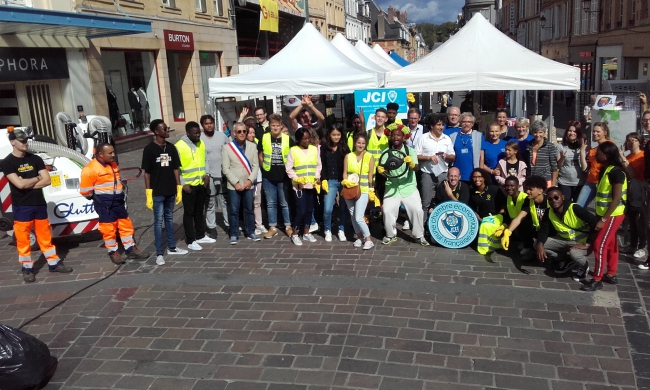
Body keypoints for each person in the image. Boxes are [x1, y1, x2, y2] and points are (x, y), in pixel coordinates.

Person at [1, 127, 73, 282]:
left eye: (26, 140)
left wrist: (28, 182)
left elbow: (47, 180)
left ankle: (53, 263)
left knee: (45, 236)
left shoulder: (36, 159)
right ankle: (27, 268)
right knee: (23, 238)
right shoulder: (7, 162)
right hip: (22, 206)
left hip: (39, 204)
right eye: (22, 141)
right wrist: (35, 179)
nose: (25, 143)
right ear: (13, 142)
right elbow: (19, 185)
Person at [81, 142, 149, 263]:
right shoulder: (90, 169)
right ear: (101, 154)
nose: (113, 155)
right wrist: (100, 199)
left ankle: (130, 249)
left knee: (125, 225)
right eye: (110, 153)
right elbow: (85, 191)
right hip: (104, 204)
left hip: (118, 201)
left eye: (113, 152)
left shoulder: (112, 164)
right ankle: (113, 252)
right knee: (108, 229)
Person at [581, 141, 627, 291]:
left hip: (612, 214)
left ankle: (597, 278)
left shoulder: (617, 172)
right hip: (604, 213)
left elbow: (616, 198)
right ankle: (611, 273)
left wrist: (603, 219)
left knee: (599, 245)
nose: (595, 155)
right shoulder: (605, 170)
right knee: (611, 245)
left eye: (598, 152)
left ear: (606, 155)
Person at [141, 119, 187, 266]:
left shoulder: (171, 148)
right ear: (156, 131)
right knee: (158, 221)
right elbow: (147, 173)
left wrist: (178, 187)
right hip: (157, 192)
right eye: (164, 128)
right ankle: (159, 253)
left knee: (169, 219)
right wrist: (148, 192)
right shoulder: (149, 149)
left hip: (170, 190)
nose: (167, 130)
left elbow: (175, 169)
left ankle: (172, 247)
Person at [378, 123, 428, 246]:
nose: (395, 137)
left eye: (398, 135)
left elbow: (416, 168)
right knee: (387, 211)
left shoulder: (410, 151)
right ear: (390, 137)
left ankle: (419, 236)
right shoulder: (386, 152)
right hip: (392, 186)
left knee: (417, 210)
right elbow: (384, 170)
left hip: (409, 187)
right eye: (393, 135)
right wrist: (382, 171)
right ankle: (390, 235)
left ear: (403, 137)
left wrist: (411, 163)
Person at [536, 187, 597, 281]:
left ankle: (584, 266)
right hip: (564, 240)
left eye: (556, 197)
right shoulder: (548, 212)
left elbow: (595, 223)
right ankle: (564, 258)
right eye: (550, 199)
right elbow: (544, 231)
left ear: (563, 197)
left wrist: (588, 243)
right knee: (538, 244)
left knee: (574, 254)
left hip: (581, 243)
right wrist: (540, 245)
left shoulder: (574, 208)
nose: (553, 200)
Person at [176, 121, 215, 251]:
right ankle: (190, 239)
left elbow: (205, 160)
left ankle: (200, 235)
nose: (198, 135)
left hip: (201, 183)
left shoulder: (201, 143)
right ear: (188, 133)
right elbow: (176, 168)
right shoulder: (179, 146)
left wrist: (207, 174)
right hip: (188, 186)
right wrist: (182, 183)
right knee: (189, 213)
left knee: (199, 211)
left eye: (199, 132)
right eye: (195, 133)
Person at [222, 122, 260, 244]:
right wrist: (236, 182)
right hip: (234, 185)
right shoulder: (227, 148)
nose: (242, 134)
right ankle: (233, 233)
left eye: (244, 131)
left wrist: (250, 180)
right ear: (234, 133)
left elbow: (255, 166)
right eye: (239, 131)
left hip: (248, 184)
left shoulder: (252, 146)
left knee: (249, 209)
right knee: (234, 210)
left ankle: (251, 231)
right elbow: (225, 169)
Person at [258, 113, 294, 239]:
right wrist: (264, 167)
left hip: (283, 175)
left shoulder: (287, 138)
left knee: (284, 203)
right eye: (272, 125)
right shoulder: (264, 137)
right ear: (269, 125)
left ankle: (288, 226)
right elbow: (260, 154)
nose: (275, 128)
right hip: (268, 175)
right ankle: (272, 227)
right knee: (271, 203)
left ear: (281, 126)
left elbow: (293, 154)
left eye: (277, 126)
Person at [416, 112, 455, 223]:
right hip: (427, 173)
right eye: (438, 125)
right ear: (432, 126)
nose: (441, 127)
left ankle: (441, 225)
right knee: (425, 202)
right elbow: (416, 155)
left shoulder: (447, 139)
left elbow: (453, 156)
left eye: (442, 125)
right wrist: (429, 158)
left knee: (443, 200)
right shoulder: (423, 138)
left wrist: (446, 156)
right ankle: (422, 228)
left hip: (443, 173)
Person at [286, 127, 322, 246]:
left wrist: (317, 177)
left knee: (309, 210)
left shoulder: (313, 149)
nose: (307, 140)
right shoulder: (293, 150)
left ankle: (306, 232)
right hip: (299, 186)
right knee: (301, 210)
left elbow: (318, 165)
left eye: (308, 138)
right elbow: (289, 168)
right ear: (299, 140)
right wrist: (296, 179)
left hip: (311, 185)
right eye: (304, 139)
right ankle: (295, 233)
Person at [500, 175, 549, 257]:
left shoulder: (550, 201)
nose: (527, 191)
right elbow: (518, 218)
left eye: (530, 189)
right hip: (538, 229)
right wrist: (508, 232)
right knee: (524, 224)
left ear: (540, 190)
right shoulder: (528, 200)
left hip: (550, 232)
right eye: (526, 188)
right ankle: (530, 247)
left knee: (538, 245)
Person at [343, 133, 375, 249]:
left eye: (363, 143)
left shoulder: (369, 156)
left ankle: (368, 239)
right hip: (350, 189)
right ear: (354, 143)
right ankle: (359, 236)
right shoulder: (348, 156)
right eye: (358, 143)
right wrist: (345, 182)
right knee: (352, 215)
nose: (361, 145)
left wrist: (371, 189)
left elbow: (370, 175)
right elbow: (345, 172)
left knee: (359, 216)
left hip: (363, 189)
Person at [200, 114, 230, 239]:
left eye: (211, 123)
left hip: (223, 173)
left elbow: (229, 151)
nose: (209, 125)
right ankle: (211, 227)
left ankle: (229, 225)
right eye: (206, 123)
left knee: (224, 201)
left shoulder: (222, 136)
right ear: (202, 125)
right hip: (208, 175)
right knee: (210, 202)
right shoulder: (199, 138)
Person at [321, 124, 349, 242]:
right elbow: (321, 164)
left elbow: (348, 164)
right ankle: (327, 229)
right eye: (334, 135)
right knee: (328, 208)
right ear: (329, 135)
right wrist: (323, 179)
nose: (336, 137)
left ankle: (341, 229)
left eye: (338, 135)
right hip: (330, 181)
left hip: (342, 181)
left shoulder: (345, 147)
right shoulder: (324, 147)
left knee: (343, 207)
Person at [620, 132, 646, 259]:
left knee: (640, 220)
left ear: (640, 142)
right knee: (631, 220)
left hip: (640, 191)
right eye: (629, 140)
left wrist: (623, 158)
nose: (631, 142)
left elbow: (634, 173)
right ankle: (633, 244)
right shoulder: (628, 156)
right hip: (629, 192)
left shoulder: (642, 156)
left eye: (634, 140)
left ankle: (642, 246)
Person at [468, 168, 505, 254]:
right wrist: (476, 215)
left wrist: (501, 213)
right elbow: (471, 207)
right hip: (482, 218)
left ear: (484, 178)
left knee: (485, 226)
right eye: (474, 177)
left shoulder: (494, 189)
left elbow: (504, 203)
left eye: (479, 177)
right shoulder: (472, 192)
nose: (477, 179)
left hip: (496, 217)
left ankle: (488, 249)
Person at [576, 122, 613, 207]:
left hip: (604, 183)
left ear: (605, 132)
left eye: (598, 131)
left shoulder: (610, 146)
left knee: (602, 209)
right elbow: (585, 169)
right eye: (593, 131)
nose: (595, 133)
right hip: (590, 182)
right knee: (578, 207)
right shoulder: (592, 151)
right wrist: (582, 151)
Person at [556, 121, 587, 203]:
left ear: (578, 133)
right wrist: (562, 157)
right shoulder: (560, 146)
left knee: (578, 206)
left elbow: (585, 167)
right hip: (564, 182)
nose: (572, 133)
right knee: (565, 204)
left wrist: (581, 151)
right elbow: (559, 166)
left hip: (579, 182)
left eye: (574, 131)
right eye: (570, 131)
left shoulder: (583, 146)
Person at [450, 112, 483, 183]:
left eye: (469, 122)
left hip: (473, 174)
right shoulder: (453, 136)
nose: (466, 124)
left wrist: (481, 173)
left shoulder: (479, 136)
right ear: (460, 123)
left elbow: (481, 157)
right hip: (457, 174)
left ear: (472, 124)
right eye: (464, 121)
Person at [246, 124, 266, 236]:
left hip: (258, 177)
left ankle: (259, 224)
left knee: (257, 203)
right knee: (248, 203)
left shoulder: (257, 143)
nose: (252, 135)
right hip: (247, 178)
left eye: (253, 133)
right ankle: (250, 225)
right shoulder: (242, 146)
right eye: (250, 133)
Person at [526, 120, 558, 188]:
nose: (538, 135)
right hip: (532, 180)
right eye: (535, 132)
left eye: (540, 132)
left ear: (544, 133)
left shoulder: (550, 146)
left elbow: (554, 167)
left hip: (545, 180)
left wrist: (553, 183)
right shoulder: (528, 146)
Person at [368, 108, 390, 199]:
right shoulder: (368, 133)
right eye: (378, 116)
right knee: (370, 195)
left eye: (382, 117)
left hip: (384, 170)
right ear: (374, 117)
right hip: (369, 170)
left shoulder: (389, 135)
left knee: (383, 195)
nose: (380, 119)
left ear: (386, 119)